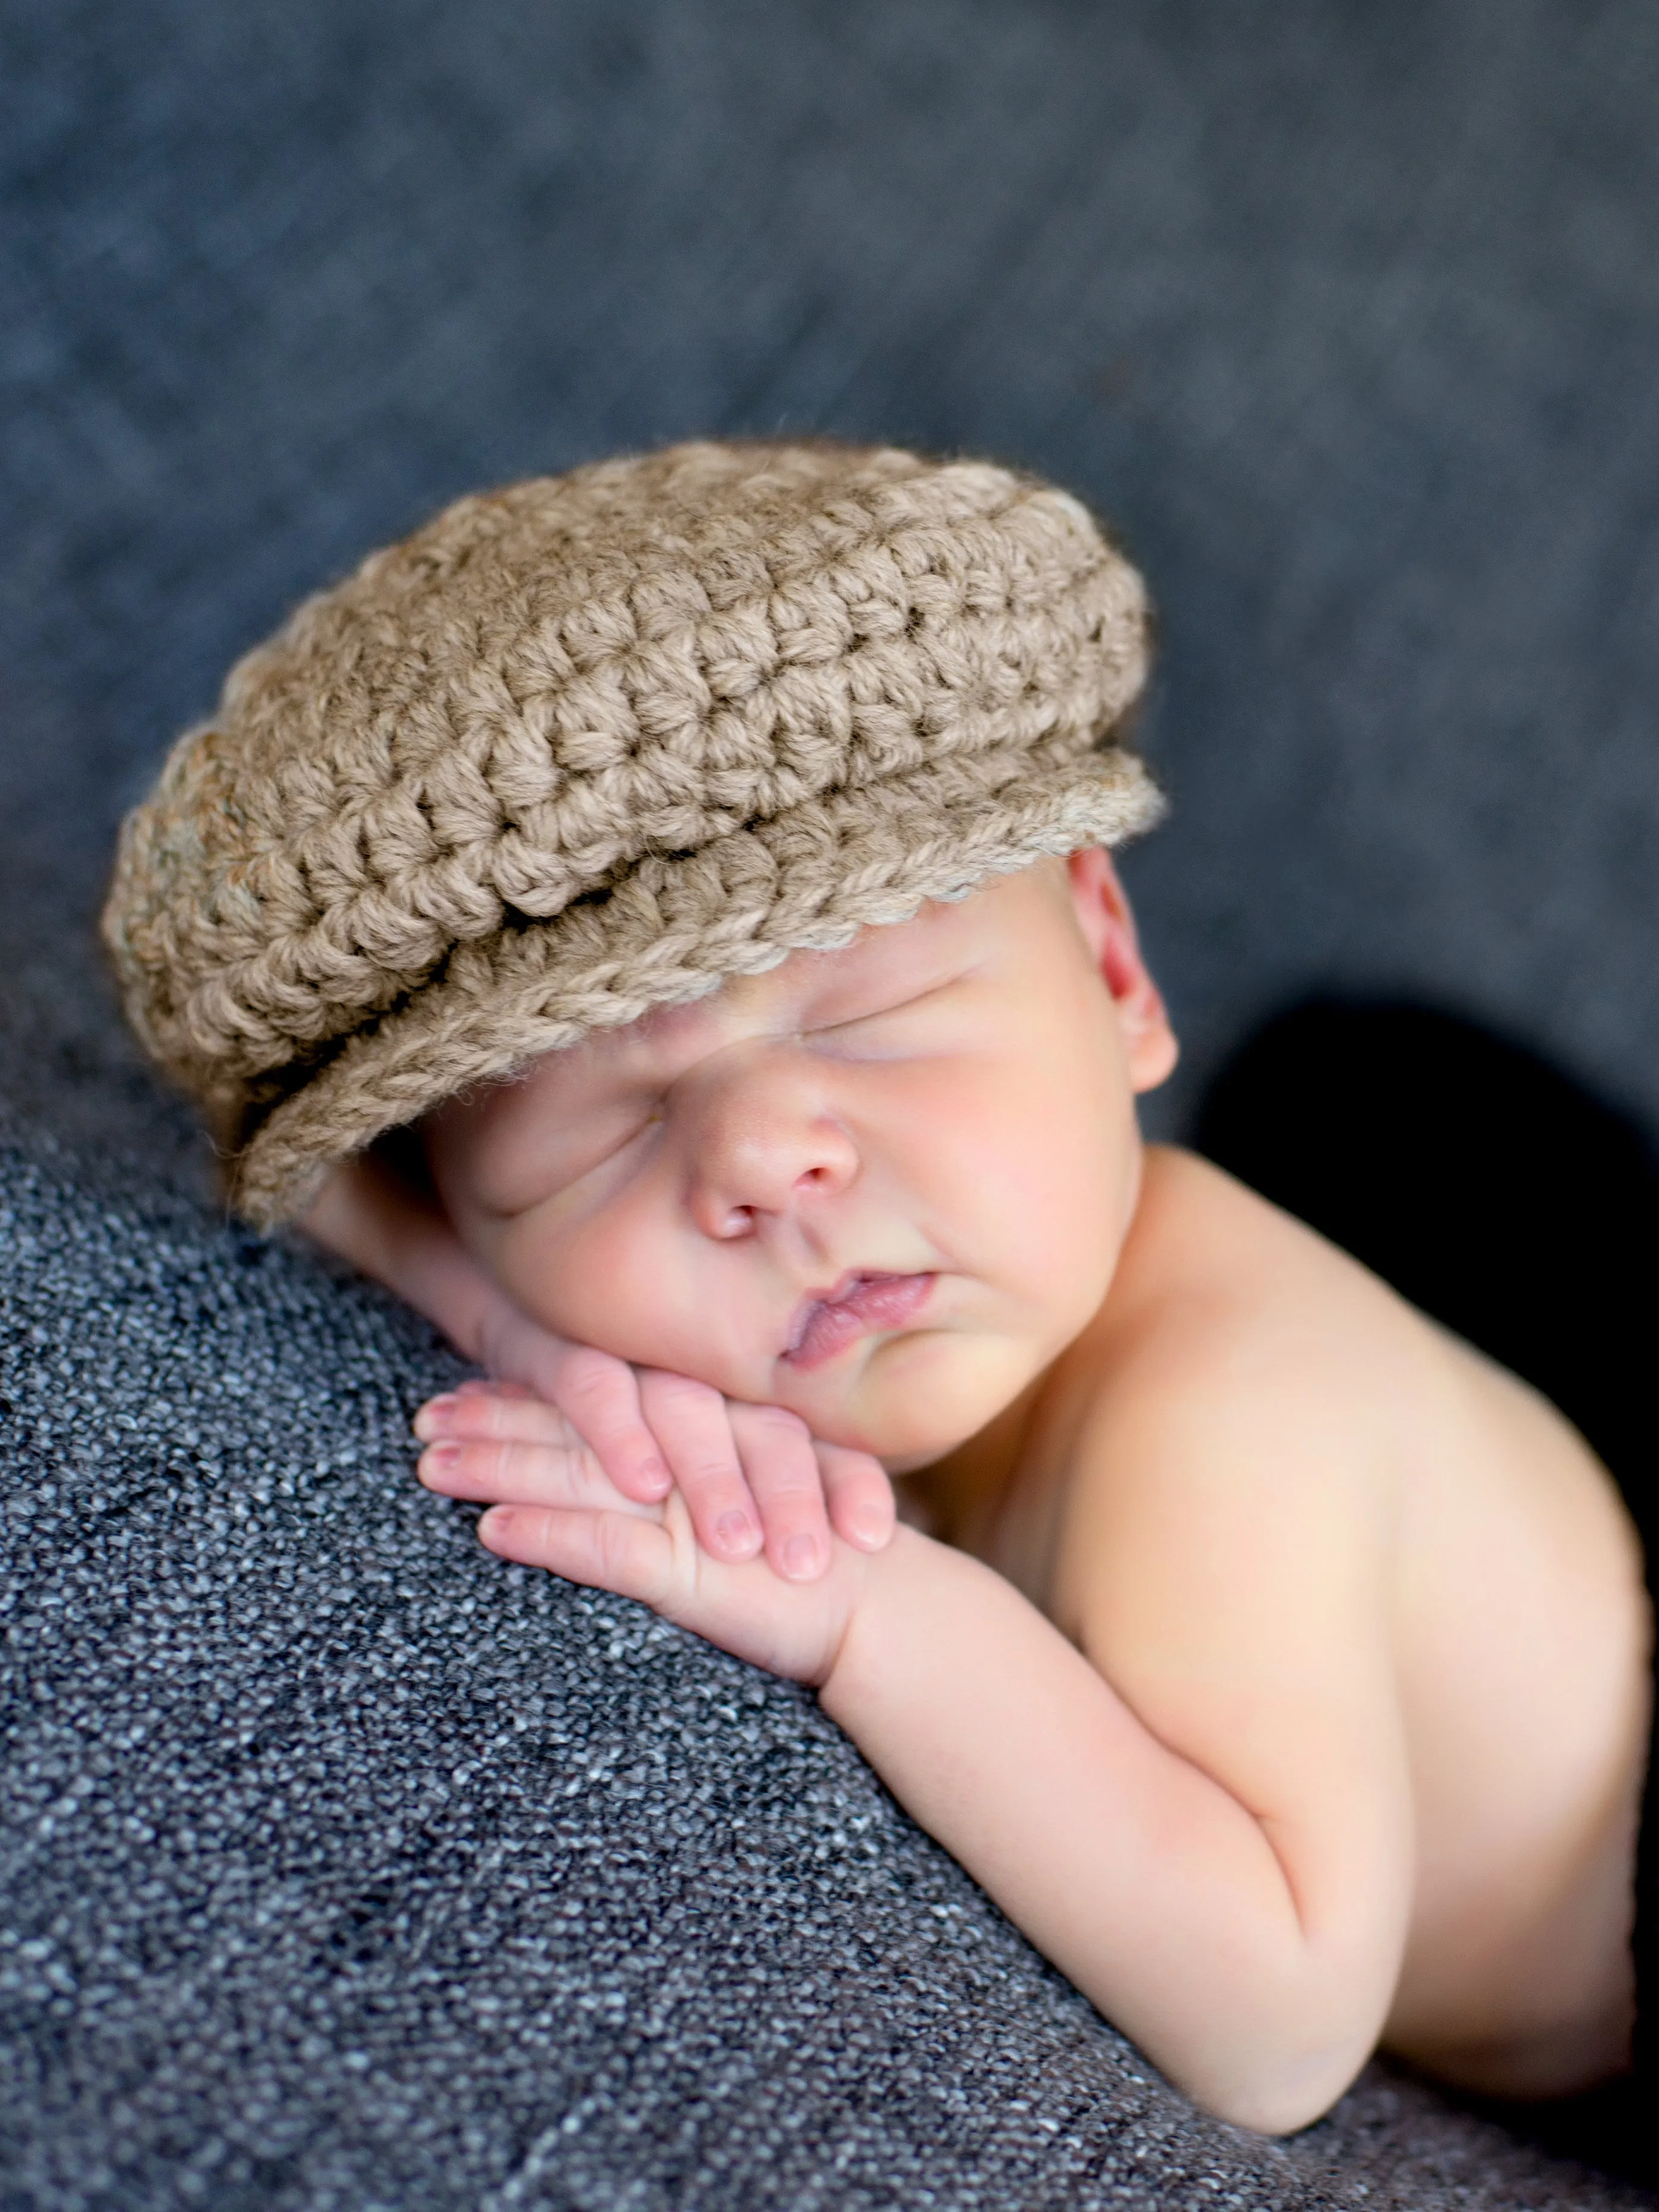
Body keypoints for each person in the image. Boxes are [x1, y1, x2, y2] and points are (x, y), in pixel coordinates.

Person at [101, 438, 1654, 2137]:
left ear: (1116, 967)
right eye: (595, 1137)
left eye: (863, 1016)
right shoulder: (664, 1258)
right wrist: (511, 1319)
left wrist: (873, 1610)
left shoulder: (1229, 1407)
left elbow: (1279, 2013)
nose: (765, 1158)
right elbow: (304, 1163)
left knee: (1364, 1103)